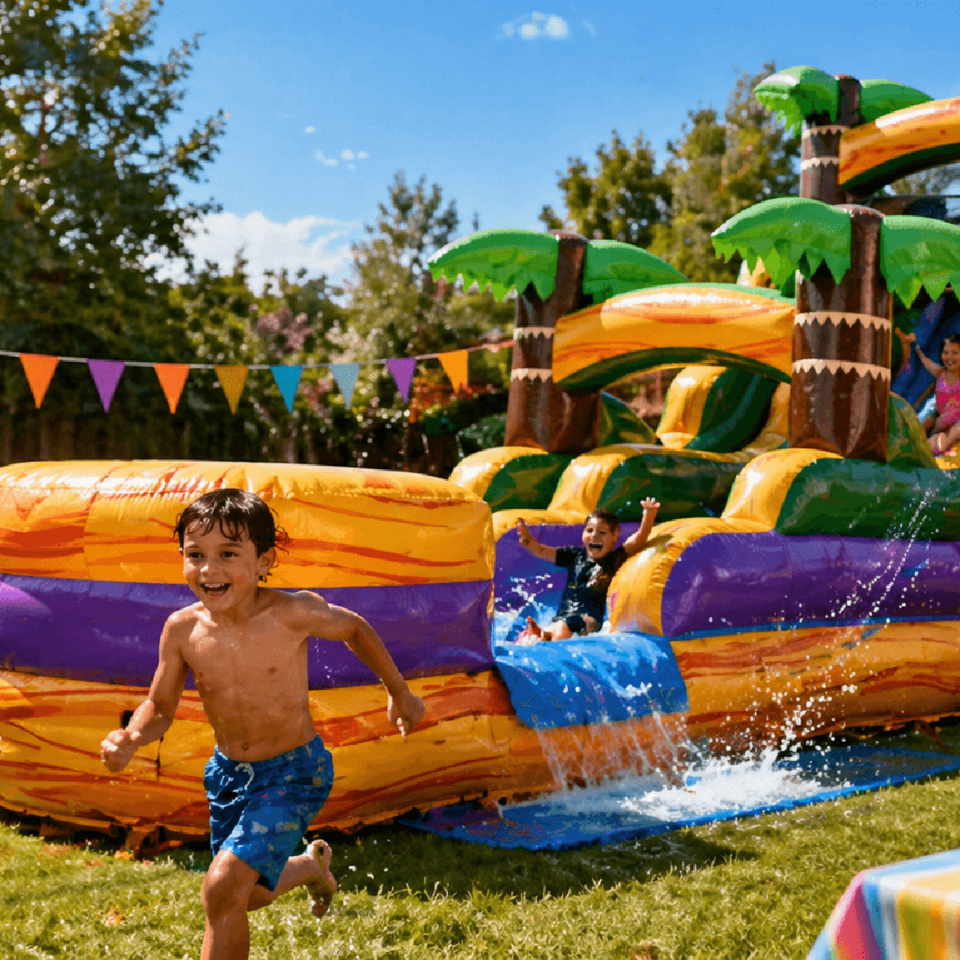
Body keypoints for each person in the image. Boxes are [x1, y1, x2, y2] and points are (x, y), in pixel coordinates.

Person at [100, 488, 425, 960]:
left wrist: (400, 693)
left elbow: (354, 626)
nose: (209, 570)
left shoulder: (290, 613)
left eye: (228, 554)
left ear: (264, 562)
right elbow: (161, 706)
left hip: (295, 771)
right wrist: (131, 736)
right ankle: (311, 868)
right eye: (196, 555)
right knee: (245, 895)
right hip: (229, 776)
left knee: (220, 888)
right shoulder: (182, 629)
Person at [515, 498, 660, 642]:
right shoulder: (573, 556)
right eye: (589, 530)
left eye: (602, 532)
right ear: (583, 534)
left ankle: (546, 636)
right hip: (563, 617)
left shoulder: (614, 559)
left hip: (589, 621)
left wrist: (649, 515)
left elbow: (639, 539)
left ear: (614, 536)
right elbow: (541, 550)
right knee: (556, 627)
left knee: (562, 629)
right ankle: (542, 635)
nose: (594, 535)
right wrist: (528, 541)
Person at [907, 333, 960, 454]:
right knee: (927, 422)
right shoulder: (941, 372)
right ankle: (918, 444)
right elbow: (927, 362)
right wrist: (918, 352)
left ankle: (943, 442)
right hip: (939, 418)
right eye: (946, 353)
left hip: (956, 420)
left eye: (955, 353)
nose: (949, 357)